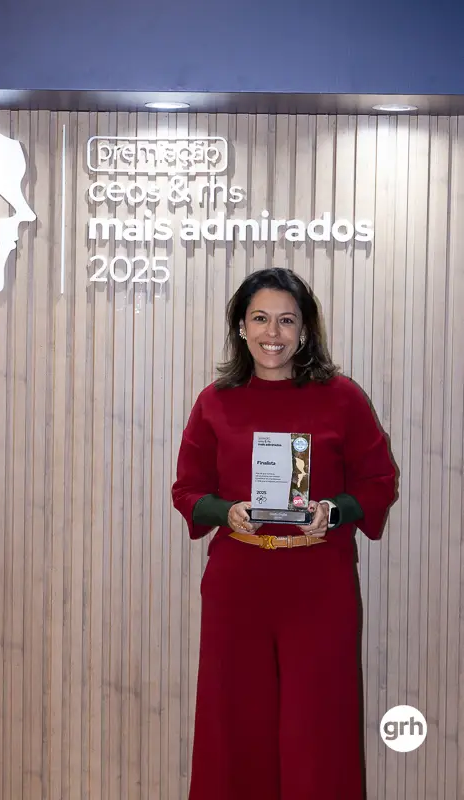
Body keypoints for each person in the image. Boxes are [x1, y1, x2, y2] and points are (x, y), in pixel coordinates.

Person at [171, 267, 397, 800]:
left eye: (287, 321)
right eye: (260, 319)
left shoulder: (342, 398)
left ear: (305, 330)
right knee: (235, 724)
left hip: (318, 583)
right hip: (238, 584)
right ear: (241, 327)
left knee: (317, 729)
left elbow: (378, 481)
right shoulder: (214, 401)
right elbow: (187, 490)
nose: (273, 333)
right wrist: (225, 512)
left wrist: (334, 511)